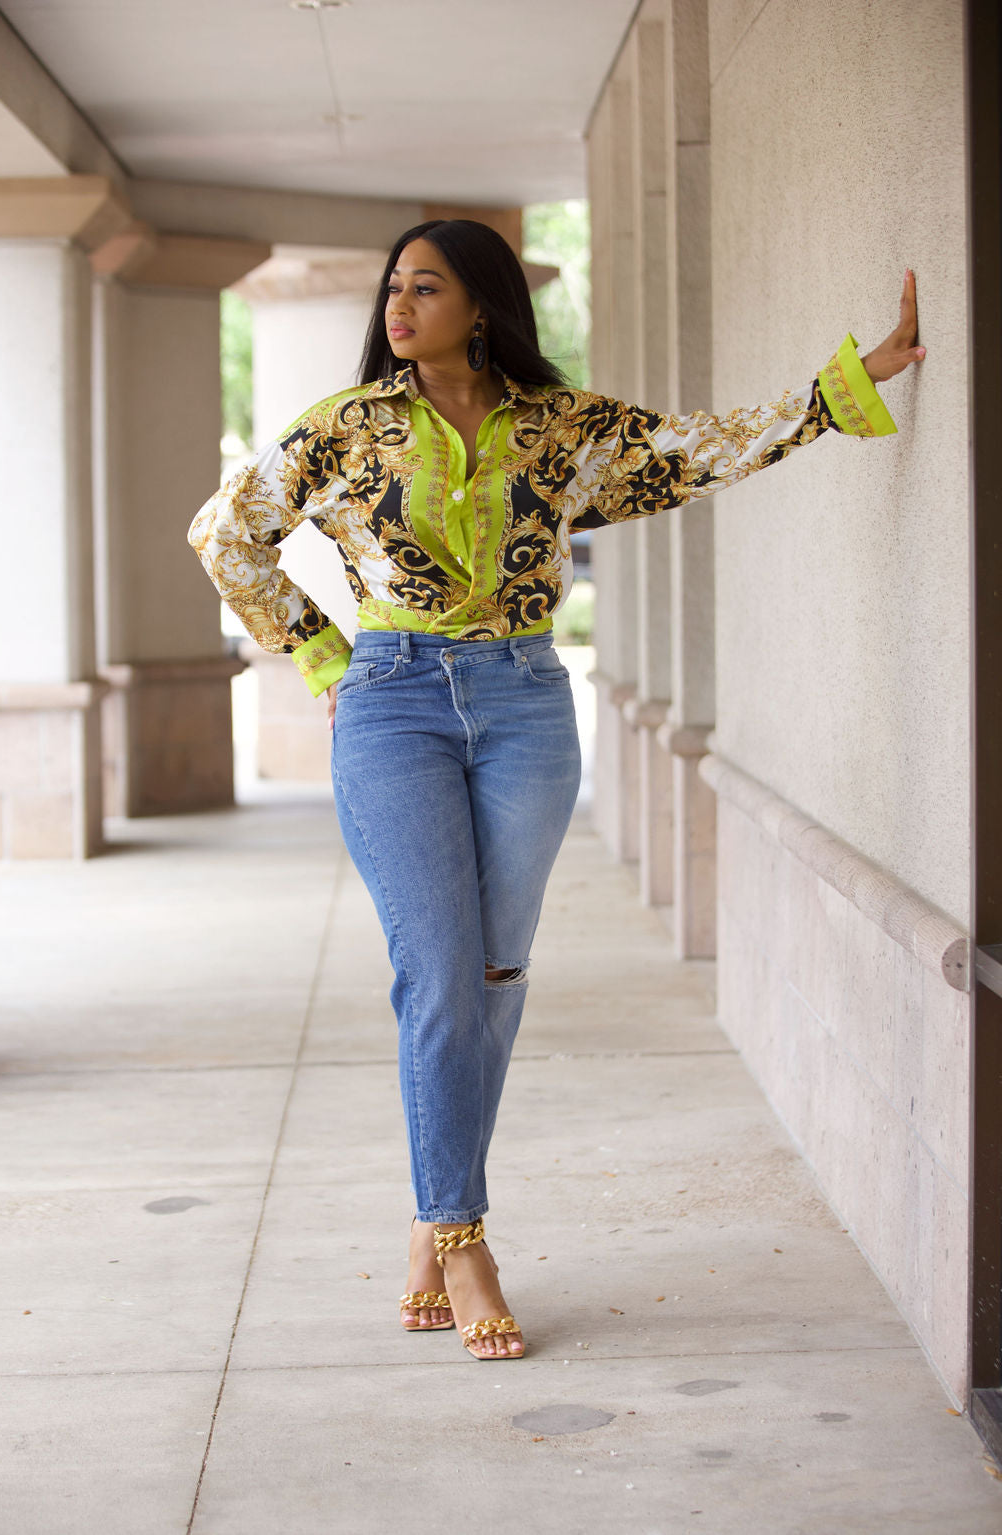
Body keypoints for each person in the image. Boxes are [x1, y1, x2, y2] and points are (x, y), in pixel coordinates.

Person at [188, 219, 924, 1361]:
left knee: (493, 973)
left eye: (425, 287)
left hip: (525, 702)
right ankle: (463, 1237)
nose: (397, 306)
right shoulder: (347, 426)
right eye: (392, 287)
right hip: (392, 701)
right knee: (438, 971)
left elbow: (696, 449)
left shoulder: (561, 426)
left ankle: (434, 1217)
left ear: (481, 306)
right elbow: (226, 532)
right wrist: (325, 657)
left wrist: (842, 389)